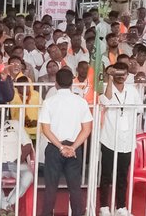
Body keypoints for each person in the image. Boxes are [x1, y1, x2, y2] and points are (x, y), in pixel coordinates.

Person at [38, 68, 93, 216]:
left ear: (56, 83)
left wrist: (61, 147)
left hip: (54, 148)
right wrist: (72, 147)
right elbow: (87, 129)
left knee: (51, 187)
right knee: (75, 187)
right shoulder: (81, 102)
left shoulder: (49, 102)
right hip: (74, 148)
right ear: (72, 83)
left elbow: (46, 130)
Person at [97, 62, 141, 216]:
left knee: (122, 175)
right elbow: (106, 101)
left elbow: (139, 110)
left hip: (127, 139)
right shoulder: (106, 87)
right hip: (109, 137)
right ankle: (104, 206)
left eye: (123, 74)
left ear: (128, 75)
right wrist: (109, 79)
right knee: (106, 175)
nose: (121, 77)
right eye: (117, 74)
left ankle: (121, 206)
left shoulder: (132, 90)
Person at [0, 111, 34, 216]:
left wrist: (19, 160)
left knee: (29, 176)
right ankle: (8, 207)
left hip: (17, 163)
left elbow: (28, 144)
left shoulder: (15, 124)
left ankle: (5, 205)